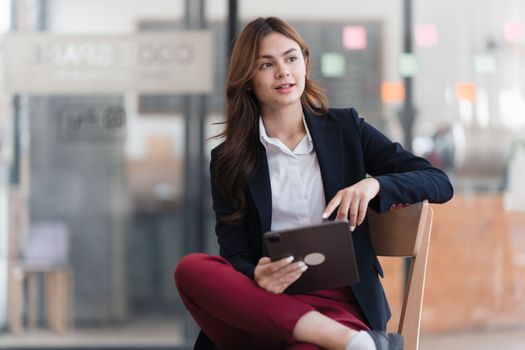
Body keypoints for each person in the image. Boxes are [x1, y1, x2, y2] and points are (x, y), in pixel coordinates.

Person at [174, 16, 453, 350]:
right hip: (266, 302)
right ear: (248, 78)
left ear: (305, 63)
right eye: (266, 64)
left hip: (341, 301)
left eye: (291, 58)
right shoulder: (228, 158)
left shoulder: (346, 129)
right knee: (191, 269)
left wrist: (373, 185)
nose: (283, 72)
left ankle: (343, 338)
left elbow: (438, 181)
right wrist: (255, 274)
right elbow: (235, 253)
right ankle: (347, 341)